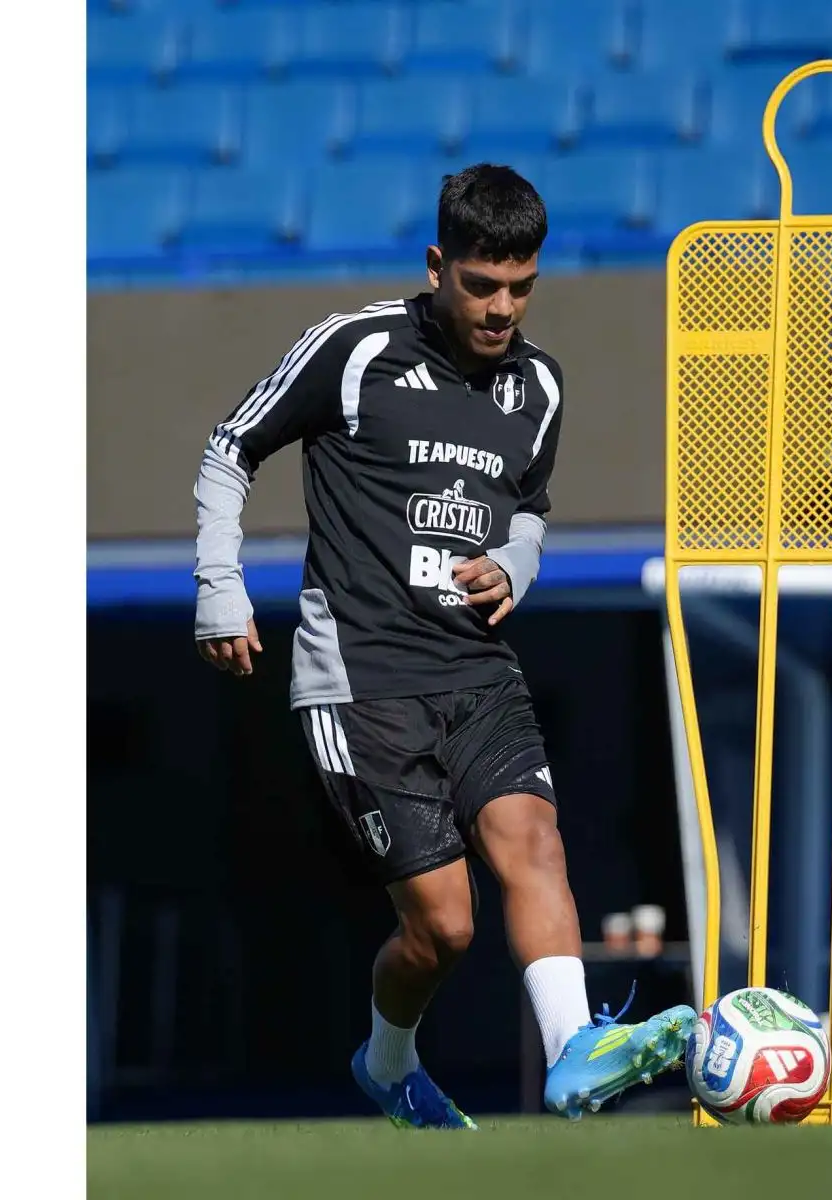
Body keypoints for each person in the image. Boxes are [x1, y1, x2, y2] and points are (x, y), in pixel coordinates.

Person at [190, 164, 694, 1128]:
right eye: (482, 284)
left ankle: (574, 1052)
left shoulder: (539, 384)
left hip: (477, 668)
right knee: (444, 929)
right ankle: (388, 1065)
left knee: (535, 841)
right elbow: (230, 447)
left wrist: (515, 563)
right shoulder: (353, 349)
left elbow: (530, 511)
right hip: (362, 680)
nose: (503, 308)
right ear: (437, 266)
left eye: (522, 287)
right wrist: (221, 586)